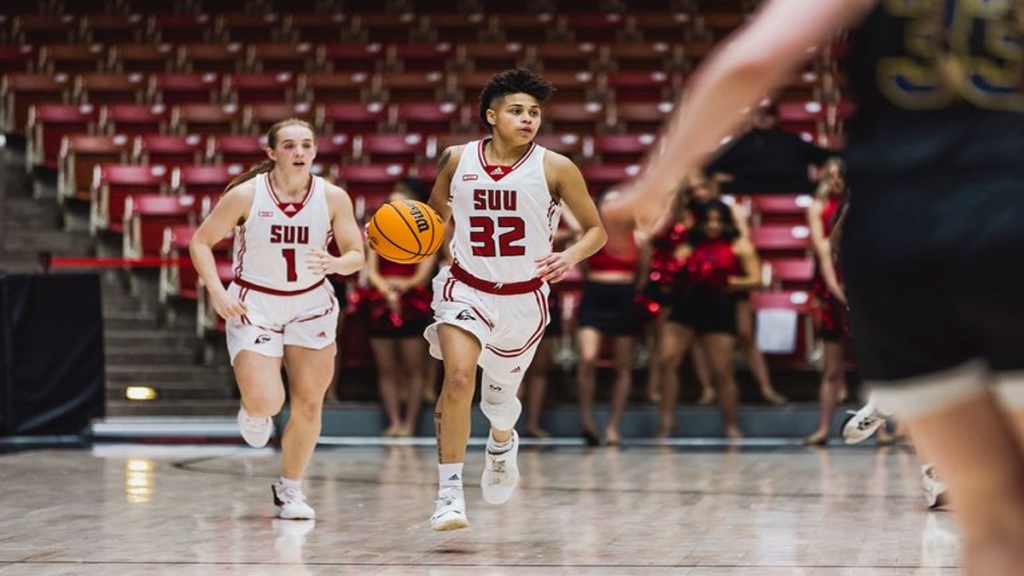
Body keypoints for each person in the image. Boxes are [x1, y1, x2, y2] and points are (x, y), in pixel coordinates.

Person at [606, 2, 1024, 573]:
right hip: (1009, 216)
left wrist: (652, 186)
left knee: (991, 523)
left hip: (894, 242)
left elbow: (752, 61)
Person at [424, 68, 606, 531]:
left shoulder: (556, 167)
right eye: (517, 111)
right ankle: (449, 495)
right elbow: (430, 223)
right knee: (459, 378)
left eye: (535, 112)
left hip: (524, 299)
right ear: (491, 116)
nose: (528, 119)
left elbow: (596, 231)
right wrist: (394, 237)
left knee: (499, 402)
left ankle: (502, 443)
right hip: (463, 287)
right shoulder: (455, 159)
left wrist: (570, 255)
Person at [189, 119, 364, 520]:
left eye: (305, 145)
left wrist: (336, 261)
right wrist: (217, 291)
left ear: (316, 151)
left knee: (308, 404)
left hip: (311, 304)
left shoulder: (333, 197)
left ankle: (291, 490)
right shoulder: (245, 195)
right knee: (268, 400)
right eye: (288, 145)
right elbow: (200, 242)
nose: (298, 152)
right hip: (256, 304)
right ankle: (253, 410)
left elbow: (357, 253)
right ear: (271, 153)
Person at [656, 200, 762, 439]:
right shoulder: (687, 246)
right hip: (686, 304)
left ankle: (731, 425)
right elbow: (673, 273)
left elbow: (756, 279)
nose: (713, 225)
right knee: (667, 360)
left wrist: (727, 281)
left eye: (718, 220)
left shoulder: (739, 245)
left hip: (718, 305)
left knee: (722, 370)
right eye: (708, 220)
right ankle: (666, 422)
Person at [363, 182, 438, 437]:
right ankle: (394, 421)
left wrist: (401, 288)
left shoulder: (426, 232)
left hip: (413, 301)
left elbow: (422, 275)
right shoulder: (378, 230)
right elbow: (371, 269)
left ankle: (410, 422)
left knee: (414, 368)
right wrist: (386, 290)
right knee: (386, 368)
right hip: (380, 301)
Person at [575, 190, 643, 447]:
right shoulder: (591, 235)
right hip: (595, 295)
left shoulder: (639, 237)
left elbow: (642, 274)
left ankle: (613, 426)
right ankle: (587, 422)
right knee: (587, 359)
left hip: (624, 297)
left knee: (623, 366)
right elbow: (582, 266)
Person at [803, 157, 849, 445]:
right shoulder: (819, 209)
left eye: (840, 175)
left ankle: (882, 430)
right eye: (830, 175)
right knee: (832, 368)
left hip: (860, 291)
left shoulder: (860, 209)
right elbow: (826, 253)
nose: (835, 180)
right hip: (834, 291)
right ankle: (823, 427)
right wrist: (841, 295)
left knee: (874, 369)